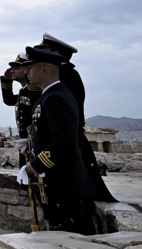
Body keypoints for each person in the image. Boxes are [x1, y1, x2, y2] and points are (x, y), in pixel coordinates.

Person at [18, 45, 94, 234]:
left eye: (31, 67)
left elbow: (64, 143)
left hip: (63, 181)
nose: (27, 72)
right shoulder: (51, 95)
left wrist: (35, 165)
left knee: (70, 235)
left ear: (45, 69)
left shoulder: (55, 98)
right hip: (57, 178)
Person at [35, 32, 117, 205]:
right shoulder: (63, 75)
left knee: (73, 189)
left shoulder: (65, 75)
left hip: (65, 138)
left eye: (46, 50)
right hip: (60, 138)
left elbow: (66, 112)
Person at [0, 52, 40, 166]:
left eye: (17, 67)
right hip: (25, 144)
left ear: (28, 69)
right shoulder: (23, 91)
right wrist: (7, 80)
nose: (12, 70)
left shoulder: (35, 91)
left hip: (34, 144)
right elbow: (9, 100)